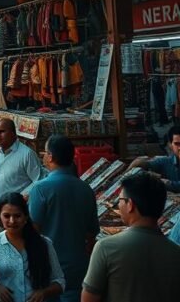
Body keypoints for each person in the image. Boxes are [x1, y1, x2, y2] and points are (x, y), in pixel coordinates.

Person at [82, 172, 180, 301]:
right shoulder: (176, 252)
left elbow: (88, 299)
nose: (119, 205)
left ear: (130, 205)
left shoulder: (106, 248)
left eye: (121, 200)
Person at [28, 135, 98, 302]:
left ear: (50, 156)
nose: (44, 156)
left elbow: (33, 232)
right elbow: (91, 234)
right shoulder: (86, 189)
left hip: (50, 266)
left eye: (45, 152)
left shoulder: (40, 189)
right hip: (78, 265)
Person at [0, 192, 65, 302]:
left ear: (25, 216)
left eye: (17, 216)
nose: (12, 221)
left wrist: (44, 292)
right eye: (7, 216)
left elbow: (60, 282)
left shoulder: (44, 243)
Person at [0, 119, 44, 208]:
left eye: (2, 131)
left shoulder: (27, 154)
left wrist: (18, 199)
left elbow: (38, 180)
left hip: (17, 210)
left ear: (13, 133)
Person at [126, 125, 180, 192]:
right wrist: (126, 173)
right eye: (177, 144)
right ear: (170, 145)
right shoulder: (167, 161)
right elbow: (141, 163)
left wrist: (165, 182)